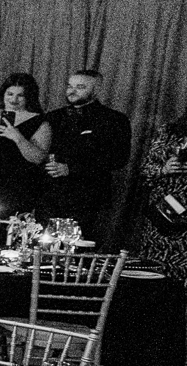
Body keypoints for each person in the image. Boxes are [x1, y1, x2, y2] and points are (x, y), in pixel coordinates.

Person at [42, 68, 133, 245]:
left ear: (96, 90)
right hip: (50, 198)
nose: (72, 91)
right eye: (70, 85)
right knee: (44, 252)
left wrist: (72, 168)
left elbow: (118, 158)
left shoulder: (113, 120)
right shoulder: (53, 117)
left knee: (79, 255)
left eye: (80, 87)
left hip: (87, 200)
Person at [137, 91, 187, 317]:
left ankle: (180, 324)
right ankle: (150, 319)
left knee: (186, 277)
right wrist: (164, 169)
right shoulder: (171, 132)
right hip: (163, 214)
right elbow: (146, 171)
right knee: (155, 272)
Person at [0, 73, 51, 217]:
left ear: (28, 97)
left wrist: (18, 137)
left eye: (20, 96)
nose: (13, 99)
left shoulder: (40, 122)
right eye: (10, 94)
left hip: (18, 186)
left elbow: (39, 158)